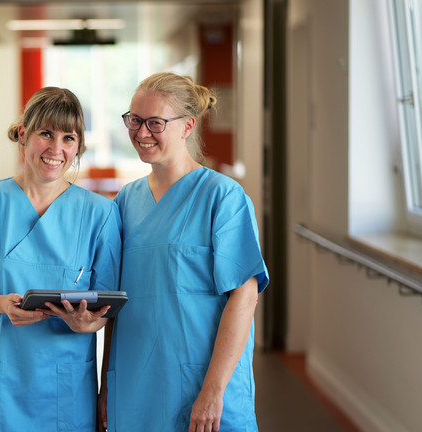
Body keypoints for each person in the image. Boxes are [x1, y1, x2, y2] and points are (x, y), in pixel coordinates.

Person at [0, 86, 122, 432]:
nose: (56, 149)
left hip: (65, 385)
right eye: (45, 133)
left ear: (78, 148)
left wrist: (86, 324)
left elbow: (105, 311)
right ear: (23, 134)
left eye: (68, 138)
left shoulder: (101, 214)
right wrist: (2, 304)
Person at [98, 72, 269, 432]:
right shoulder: (126, 202)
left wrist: (213, 389)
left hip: (202, 384)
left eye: (155, 123)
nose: (141, 133)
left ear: (187, 126)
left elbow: (244, 295)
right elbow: (115, 303)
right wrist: (106, 386)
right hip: (135, 385)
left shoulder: (222, 198)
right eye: (134, 120)